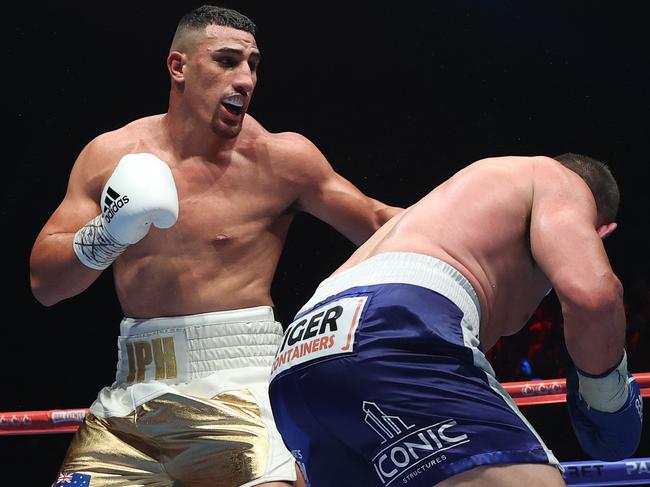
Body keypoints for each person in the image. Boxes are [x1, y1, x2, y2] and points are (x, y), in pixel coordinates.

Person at [29, 5, 401, 487]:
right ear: (178, 66)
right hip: (131, 404)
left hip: (244, 387)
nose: (245, 78)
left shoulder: (280, 159)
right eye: (226, 61)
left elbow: (377, 221)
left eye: (253, 65)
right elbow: (45, 284)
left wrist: (489, 215)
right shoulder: (111, 155)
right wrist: (111, 230)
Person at [268, 154, 643, 487]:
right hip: (394, 326)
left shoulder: (457, 206)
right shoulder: (559, 181)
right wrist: (606, 393)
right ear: (601, 232)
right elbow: (593, 296)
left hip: (298, 357)